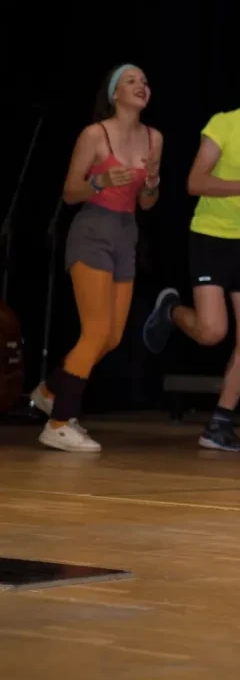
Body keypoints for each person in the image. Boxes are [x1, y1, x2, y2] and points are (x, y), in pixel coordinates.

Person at [141, 58, 240, 452]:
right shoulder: (222, 125)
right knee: (212, 332)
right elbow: (195, 182)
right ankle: (171, 311)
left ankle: (219, 423)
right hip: (210, 237)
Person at [32, 64, 163, 452]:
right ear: (114, 93)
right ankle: (58, 422)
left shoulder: (155, 138)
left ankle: (49, 391)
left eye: (144, 81)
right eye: (131, 80)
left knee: (112, 336)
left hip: (126, 234)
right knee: (95, 330)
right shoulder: (95, 134)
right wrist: (98, 181)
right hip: (93, 230)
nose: (141, 85)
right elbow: (70, 192)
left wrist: (152, 183)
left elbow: (148, 203)